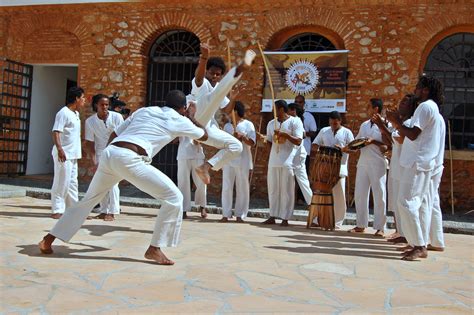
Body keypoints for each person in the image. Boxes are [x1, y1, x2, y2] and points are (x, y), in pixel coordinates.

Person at [38, 90, 208, 265]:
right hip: (130, 158)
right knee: (174, 197)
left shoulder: (145, 110)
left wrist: (111, 156)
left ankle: (48, 240)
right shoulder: (180, 119)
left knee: (87, 201)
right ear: (183, 108)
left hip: (111, 153)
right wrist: (191, 116)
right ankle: (154, 249)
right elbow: (205, 135)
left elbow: (116, 134)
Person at [386, 75, 444, 261]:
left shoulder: (426, 107)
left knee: (407, 202)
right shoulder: (429, 107)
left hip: (417, 163)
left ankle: (419, 245)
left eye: (418, 87)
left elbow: (412, 134)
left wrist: (396, 121)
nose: (416, 90)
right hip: (416, 162)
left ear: (425, 90)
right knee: (408, 203)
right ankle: (414, 243)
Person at [190, 41, 256, 184]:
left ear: (221, 75)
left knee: (236, 147)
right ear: (207, 71)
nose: (214, 76)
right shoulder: (201, 83)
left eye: (218, 74)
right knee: (213, 97)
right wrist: (204, 58)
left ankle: (205, 167)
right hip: (194, 117)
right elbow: (199, 77)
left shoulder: (219, 88)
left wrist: (232, 99)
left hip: (206, 127)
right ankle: (239, 70)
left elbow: (226, 110)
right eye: (211, 72)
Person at [372, 94, 416, 243]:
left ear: (411, 107)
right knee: (397, 202)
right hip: (396, 166)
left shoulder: (409, 123)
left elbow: (398, 138)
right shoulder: (401, 123)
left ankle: (409, 237)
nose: (400, 104)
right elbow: (390, 142)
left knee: (403, 202)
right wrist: (383, 126)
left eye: (404, 102)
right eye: (401, 101)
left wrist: (384, 125)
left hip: (405, 168)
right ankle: (401, 233)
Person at [348, 98, 388, 237]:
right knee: (360, 193)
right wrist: (348, 148)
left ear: (376, 109)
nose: (366, 109)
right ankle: (361, 224)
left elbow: (387, 145)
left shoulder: (385, 124)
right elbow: (358, 141)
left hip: (378, 163)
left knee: (379, 194)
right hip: (363, 162)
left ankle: (380, 227)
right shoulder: (364, 125)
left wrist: (373, 141)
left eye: (368, 106)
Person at [262, 100, 304, 226]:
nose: (272, 111)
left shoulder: (295, 121)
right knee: (273, 188)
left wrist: (285, 135)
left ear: (281, 109)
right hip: (274, 161)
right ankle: (272, 215)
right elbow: (269, 140)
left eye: (274, 109)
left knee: (287, 190)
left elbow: (298, 141)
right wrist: (272, 152)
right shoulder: (271, 123)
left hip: (288, 161)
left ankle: (285, 218)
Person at [84, 94, 124, 221]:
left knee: (113, 183)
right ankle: (103, 210)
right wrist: (94, 161)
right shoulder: (90, 121)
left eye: (107, 104)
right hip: (100, 153)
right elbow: (90, 143)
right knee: (100, 182)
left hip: (115, 152)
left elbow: (123, 135)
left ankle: (112, 211)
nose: (105, 107)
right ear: (96, 105)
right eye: (102, 104)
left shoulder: (117, 117)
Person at [314, 111, 354, 229]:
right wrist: (323, 148)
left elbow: (354, 149)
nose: (333, 125)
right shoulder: (324, 131)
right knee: (322, 193)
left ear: (340, 121)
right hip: (325, 167)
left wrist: (343, 149)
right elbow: (314, 144)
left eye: (335, 124)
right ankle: (319, 219)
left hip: (340, 168)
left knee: (339, 195)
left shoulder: (347, 132)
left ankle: (337, 222)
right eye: (331, 123)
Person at [50, 86, 85, 219]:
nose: (84, 100)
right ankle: (57, 210)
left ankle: (73, 210)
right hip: (63, 154)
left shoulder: (75, 114)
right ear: (76, 98)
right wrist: (60, 150)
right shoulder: (63, 113)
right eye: (82, 98)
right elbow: (56, 132)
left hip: (73, 154)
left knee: (72, 183)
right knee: (61, 182)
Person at [220, 101, 256, 222]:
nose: (228, 114)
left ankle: (240, 214)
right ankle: (225, 213)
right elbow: (223, 144)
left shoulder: (248, 125)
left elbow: (252, 142)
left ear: (235, 112)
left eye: (230, 111)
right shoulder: (227, 126)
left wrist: (242, 137)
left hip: (242, 160)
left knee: (242, 187)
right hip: (229, 159)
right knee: (226, 186)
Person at [177, 101, 207, 220]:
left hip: (198, 154)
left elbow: (205, 135)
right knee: (183, 182)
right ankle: (184, 209)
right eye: (188, 107)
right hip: (183, 153)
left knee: (201, 182)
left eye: (192, 107)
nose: (190, 109)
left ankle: (202, 206)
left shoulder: (200, 120)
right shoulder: (180, 120)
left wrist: (199, 141)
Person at [288, 103, 312, 206]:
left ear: (293, 111)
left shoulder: (297, 121)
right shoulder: (292, 121)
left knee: (303, 182)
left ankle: (313, 204)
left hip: (298, 155)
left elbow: (300, 137)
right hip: (292, 155)